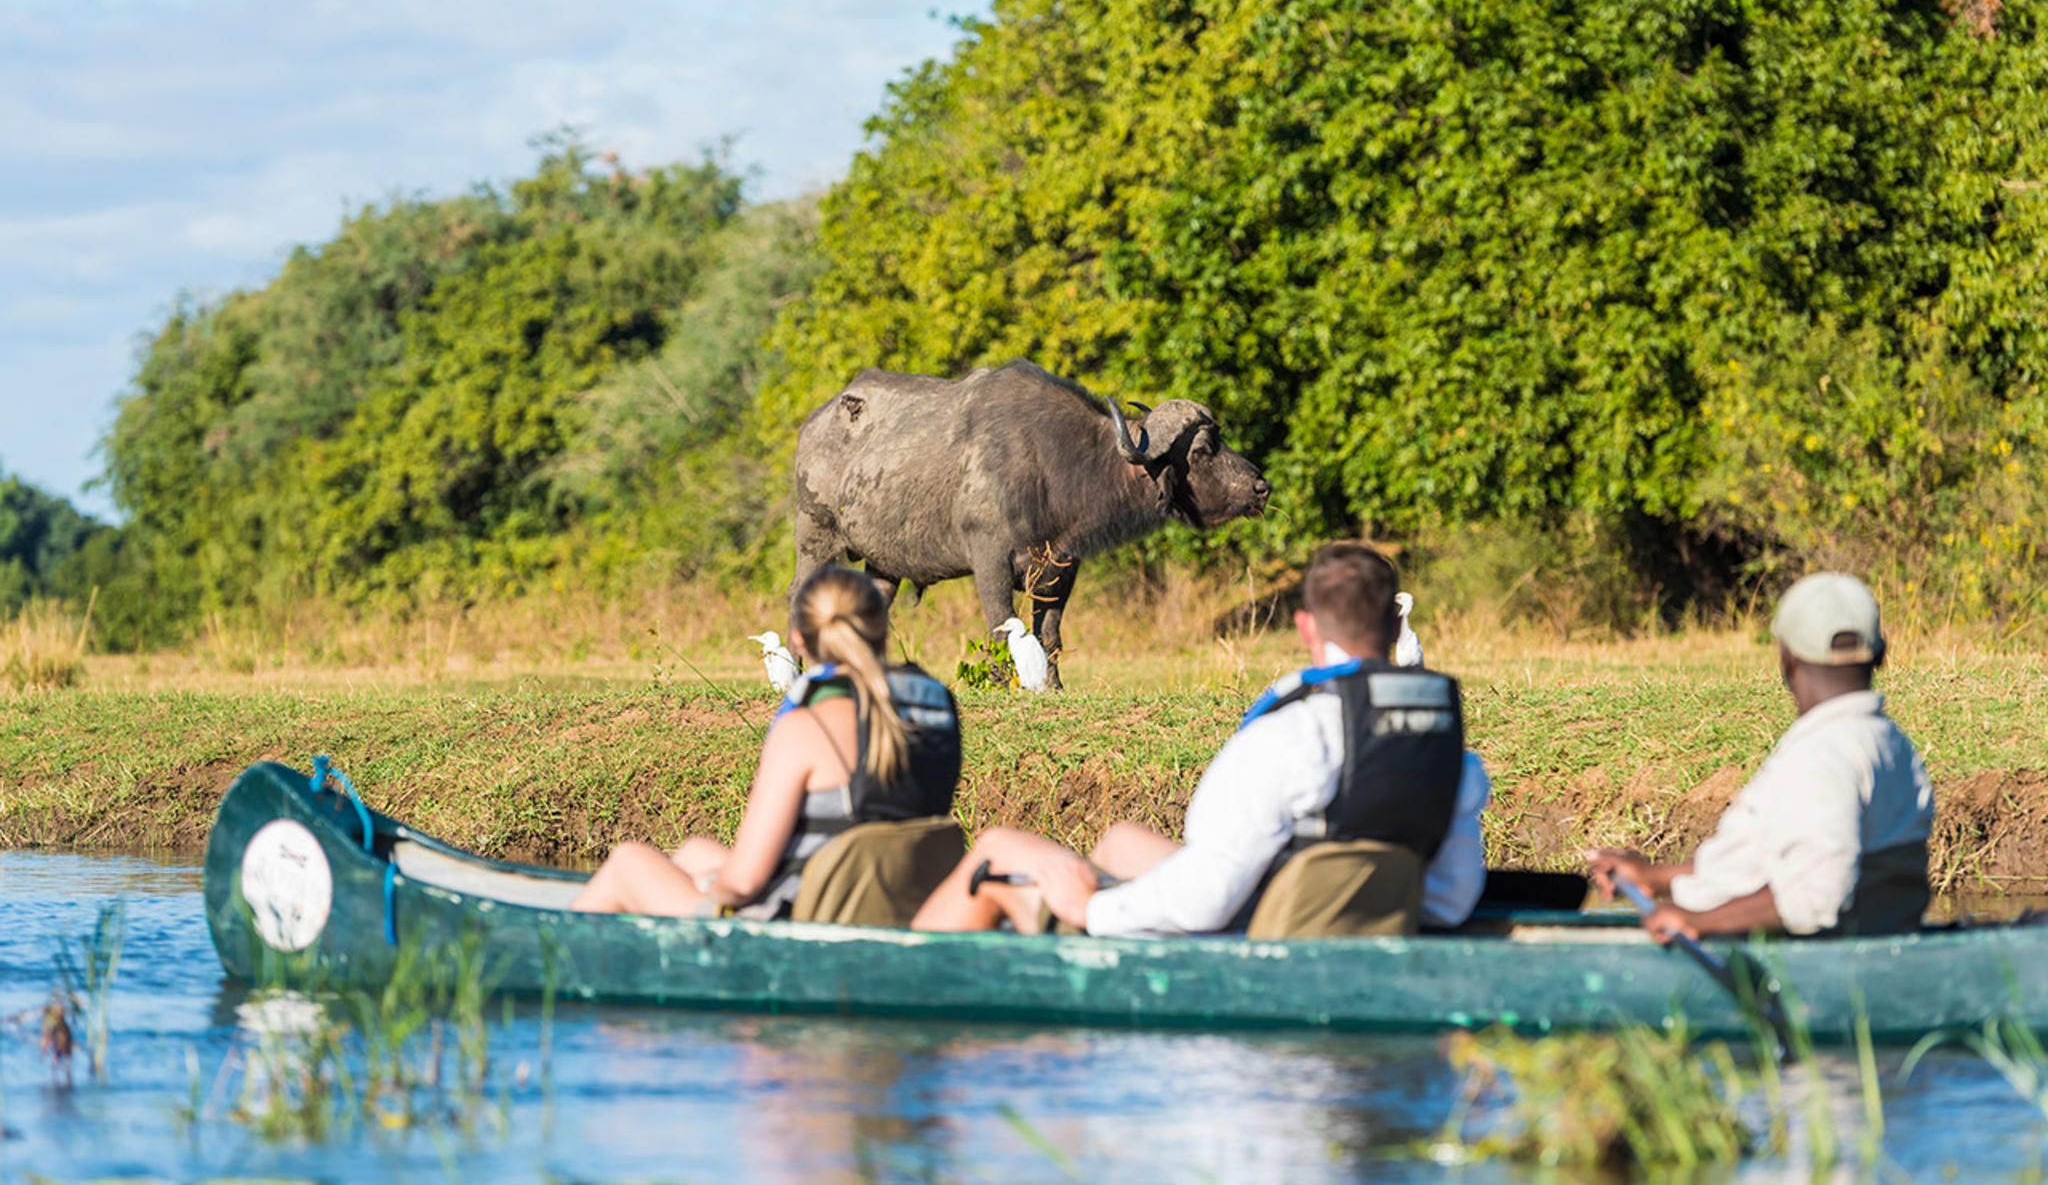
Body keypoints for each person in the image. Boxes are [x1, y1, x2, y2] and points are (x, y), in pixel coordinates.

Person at [913, 542, 1491, 936]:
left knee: (994, 852)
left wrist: (1092, 909)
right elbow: (1451, 896)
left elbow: (1208, 897)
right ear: (1395, 628)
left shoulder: (1288, 735)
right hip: (1326, 921)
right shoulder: (1447, 749)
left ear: (1305, 626)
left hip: (1256, 940)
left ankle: (893, 1008)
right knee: (1119, 840)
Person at [573, 566, 961, 917]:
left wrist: (710, 887)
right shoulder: (937, 710)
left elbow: (742, 885)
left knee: (628, 862)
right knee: (694, 852)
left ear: (799, 640)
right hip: (893, 906)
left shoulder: (808, 728)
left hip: (803, 923)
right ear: (881, 629)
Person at [1587, 572, 1933, 943]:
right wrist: (1657, 879)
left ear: (1787, 658)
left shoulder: (1822, 755)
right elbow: (1779, 866)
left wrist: (1695, 920)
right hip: (1862, 943)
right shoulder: (1890, 742)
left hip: (1747, 950)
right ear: (1879, 654)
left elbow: (1815, 897)